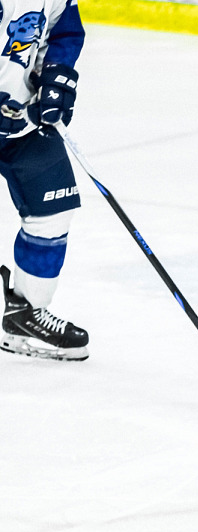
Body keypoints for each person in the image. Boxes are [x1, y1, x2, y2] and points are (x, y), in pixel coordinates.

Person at [0, 0, 88, 361]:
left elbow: (64, 31)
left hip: (22, 120)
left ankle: (25, 314)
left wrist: (54, 78)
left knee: (53, 211)